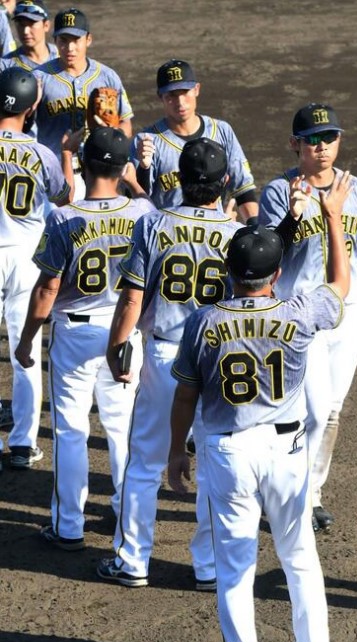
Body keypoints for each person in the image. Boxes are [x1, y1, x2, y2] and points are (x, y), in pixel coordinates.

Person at [96, 139, 305, 590]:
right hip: (217, 354)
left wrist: (117, 345)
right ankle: (208, 566)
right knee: (212, 464)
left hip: (163, 354)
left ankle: (132, 560)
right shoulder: (237, 234)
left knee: (145, 461)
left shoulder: (153, 223)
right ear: (225, 181)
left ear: (181, 179)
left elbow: (132, 297)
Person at [167, 172, 351, 642]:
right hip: (287, 450)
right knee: (300, 556)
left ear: (229, 271)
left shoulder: (203, 321)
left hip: (228, 453)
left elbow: (185, 395)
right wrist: (333, 217)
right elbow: (340, 286)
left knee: (235, 568)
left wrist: (177, 451)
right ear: (277, 274)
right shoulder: (298, 312)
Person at [14, 127, 153, 550]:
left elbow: (47, 289)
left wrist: (27, 339)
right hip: (124, 330)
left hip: (74, 333)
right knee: (122, 427)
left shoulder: (63, 218)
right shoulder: (143, 213)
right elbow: (146, 206)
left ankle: (69, 525)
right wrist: (135, 181)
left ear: (84, 165)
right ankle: (124, 514)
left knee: (71, 430)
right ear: (123, 167)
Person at [259, 102, 357, 532]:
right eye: (312, 139)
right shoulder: (278, 191)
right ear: (295, 144)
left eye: (329, 138)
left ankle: (311, 492)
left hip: (347, 314)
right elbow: (267, 256)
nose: (321, 146)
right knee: (313, 413)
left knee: (332, 410)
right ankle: (287, 493)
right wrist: (293, 215)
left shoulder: (356, 189)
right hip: (301, 316)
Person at [0, 66, 70, 470]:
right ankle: (24, 444)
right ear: (31, 108)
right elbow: (63, 198)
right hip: (28, 260)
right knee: (23, 350)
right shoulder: (42, 153)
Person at [132, 59, 257, 221]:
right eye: (171, 95)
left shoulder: (222, 131)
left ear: (196, 89)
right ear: (160, 96)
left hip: (214, 229)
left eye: (185, 92)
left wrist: (254, 228)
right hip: (168, 232)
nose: (180, 102)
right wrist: (144, 168)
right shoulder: (146, 141)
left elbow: (243, 189)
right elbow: (136, 202)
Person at [35, 8, 133, 158]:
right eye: (63, 40)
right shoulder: (39, 77)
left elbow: (126, 124)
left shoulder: (107, 77)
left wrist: (113, 134)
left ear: (88, 40)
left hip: (97, 165)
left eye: (76, 40)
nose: (70, 48)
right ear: (55, 41)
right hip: (53, 165)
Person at [0, 1, 57, 72]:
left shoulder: (64, 57)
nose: (25, 31)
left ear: (46, 25)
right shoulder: (5, 66)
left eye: (31, 24)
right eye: (21, 24)